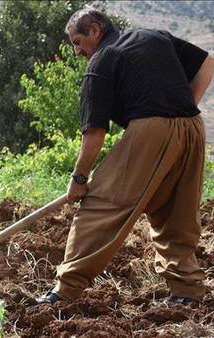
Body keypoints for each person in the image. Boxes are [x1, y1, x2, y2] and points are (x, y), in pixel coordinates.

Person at [35, 7, 214, 306]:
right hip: (193, 127)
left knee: (101, 205)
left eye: (77, 41)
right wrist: (179, 108)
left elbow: (94, 133)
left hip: (152, 131)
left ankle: (64, 291)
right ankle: (187, 291)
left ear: (95, 29)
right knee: (174, 211)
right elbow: (207, 62)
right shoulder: (153, 36)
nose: (77, 51)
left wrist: (79, 179)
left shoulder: (102, 62)